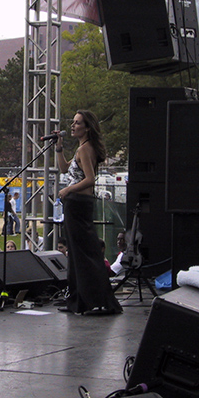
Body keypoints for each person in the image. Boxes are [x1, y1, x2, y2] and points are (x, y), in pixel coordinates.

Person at [55, 110, 122, 316]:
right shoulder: (81, 148)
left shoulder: (86, 149)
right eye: (73, 122)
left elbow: (90, 179)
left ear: (87, 127)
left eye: (77, 123)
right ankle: (77, 298)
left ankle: (91, 298)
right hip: (75, 203)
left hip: (78, 202)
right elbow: (65, 170)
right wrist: (58, 147)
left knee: (82, 253)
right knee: (75, 252)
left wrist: (68, 190)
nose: (73, 126)